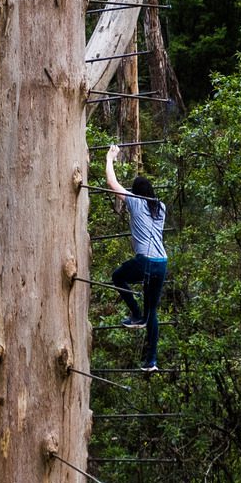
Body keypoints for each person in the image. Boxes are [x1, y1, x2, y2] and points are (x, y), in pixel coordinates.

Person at [103, 144, 168, 371]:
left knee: (118, 276)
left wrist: (110, 158)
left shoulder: (135, 201)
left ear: (136, 191)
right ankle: (151, 361)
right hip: (162, 263)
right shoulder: (160, 207)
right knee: (153, 311)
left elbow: (112, 184)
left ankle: (136, 314)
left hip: (146, 261)